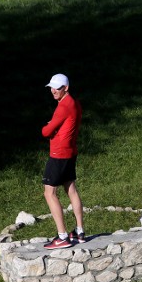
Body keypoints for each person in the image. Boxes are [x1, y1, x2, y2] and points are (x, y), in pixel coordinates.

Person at [41, 73, 86, 249]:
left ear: (65, 88)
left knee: (49, 193)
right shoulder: (74, 103)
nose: (53, 91)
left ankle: (62, 236)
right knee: (71, 189)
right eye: (51, 87)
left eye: (57, 88)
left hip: (59, 154)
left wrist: (49, 125)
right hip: (70, 152)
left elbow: (46, 132)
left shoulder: (63, 106)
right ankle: (79, 231)